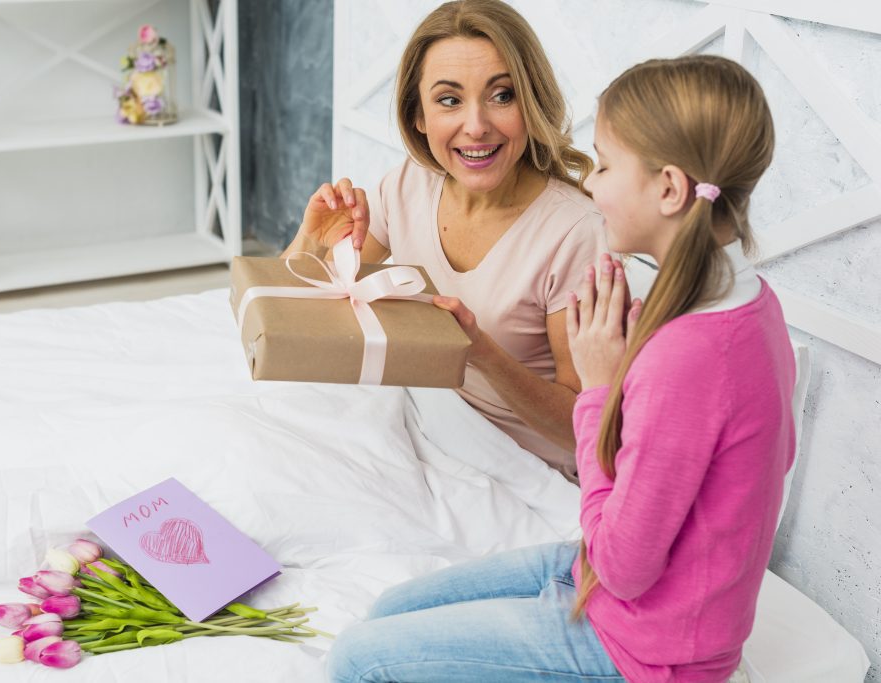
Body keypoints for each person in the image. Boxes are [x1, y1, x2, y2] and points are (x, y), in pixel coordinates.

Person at [328, 54, 795, 683]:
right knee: (385, 611)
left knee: (357, 661)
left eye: (604, 165)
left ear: (668, 189)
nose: (591, 186)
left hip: (648, 649)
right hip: (604, 579)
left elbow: (624, 567)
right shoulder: (747, 302)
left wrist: (600, 389)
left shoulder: (693, 353)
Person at [282, 0, 603, 481]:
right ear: (418, 116)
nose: (476, 126)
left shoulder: (575, 232)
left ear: (532, 104)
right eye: (449, 100)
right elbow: (290, 319)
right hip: (427, 425)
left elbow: (585, 431)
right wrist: (312, 238)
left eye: (502, 95)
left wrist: (483, 354)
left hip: (522, 467)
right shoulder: (409, 184)